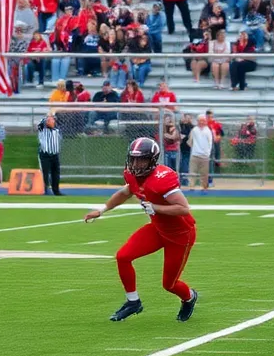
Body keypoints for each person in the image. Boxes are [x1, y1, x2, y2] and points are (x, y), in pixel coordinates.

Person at [84, 137, 199, 323]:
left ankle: (189, 297)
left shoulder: (162, 179)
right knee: (123, 256)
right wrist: (102, 210)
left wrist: (156, 208)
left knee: (169, 284)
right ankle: (133, 302)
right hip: (158, 229)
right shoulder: (133, 175)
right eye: (134, 159)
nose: (136, 164)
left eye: (141, 159)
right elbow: (125, 192)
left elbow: (184, 208)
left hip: (180, 235)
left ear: (152, 160)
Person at [37, 114, 63, 195]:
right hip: (45, 154)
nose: (51, 121)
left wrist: (52, 117)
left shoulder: (57, 130)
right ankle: (45, 190)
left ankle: (56, 190)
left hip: (55, 154)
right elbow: (40, 123)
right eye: (49, 120)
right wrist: (48, 117)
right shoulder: (42, 129)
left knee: (56, 173)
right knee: (45, 172)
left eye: (52, 120)